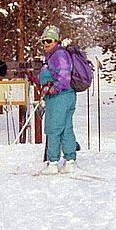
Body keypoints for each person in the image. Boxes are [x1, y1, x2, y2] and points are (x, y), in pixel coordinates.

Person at [38, 25, 77, 175]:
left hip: (59, 98)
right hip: (66, 96)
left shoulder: (58, 55)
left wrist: (53, 89)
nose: (46, 44)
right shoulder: (55, 55)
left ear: (56, 41)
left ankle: (53, 162)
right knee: (66, 128)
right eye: (43, 41)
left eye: (49, 40)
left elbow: (64, 77)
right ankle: (70, 161)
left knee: (53, 128)